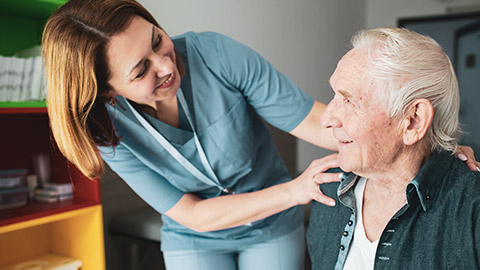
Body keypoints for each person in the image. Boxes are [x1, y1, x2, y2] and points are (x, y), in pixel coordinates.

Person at [41, 1, 478, 269]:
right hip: (198, 233)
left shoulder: (213, 54)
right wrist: (295, 190)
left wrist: (424, 141)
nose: (166, 65)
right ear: (106, 91)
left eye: (158, 40)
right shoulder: (105, 130)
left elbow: (316, 121)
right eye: (141, 70)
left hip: (273, 226)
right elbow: (192, 214)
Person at [306, 27, 480, 270]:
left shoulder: (471, 208)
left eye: (349, 100)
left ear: (413, 121)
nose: (326, 119)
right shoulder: (329, 190)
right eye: (334, 95)